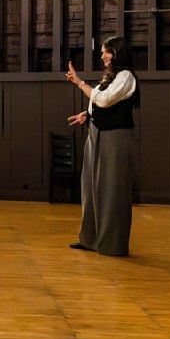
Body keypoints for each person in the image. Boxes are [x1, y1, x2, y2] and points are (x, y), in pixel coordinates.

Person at [65, 36, 138, 256]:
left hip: (115, 136)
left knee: (111, 189)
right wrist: (87, 115)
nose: (103, 55)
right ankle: (90, 239)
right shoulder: (109, 76)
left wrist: (80, 83)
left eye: (106, 51)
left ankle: (112, 244)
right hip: (96, 133)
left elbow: (104, 100)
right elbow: (98, 102)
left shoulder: (126, 77)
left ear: (117, 53)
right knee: (91, 186)